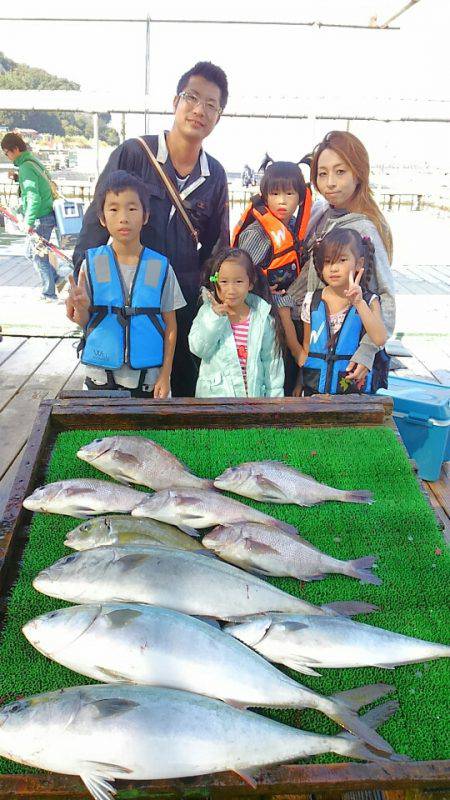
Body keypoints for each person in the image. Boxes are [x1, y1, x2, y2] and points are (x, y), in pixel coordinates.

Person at [72, 61, 230, 397]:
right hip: (123, 288)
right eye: (192, 98)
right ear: (175, 102)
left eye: (211, 105)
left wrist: (213, 295)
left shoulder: (214, 175)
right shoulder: (134, 153)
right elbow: (96, 220)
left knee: (179, 385)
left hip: (182, 300)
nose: (199, 110)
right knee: (115, 380)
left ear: (219, 116)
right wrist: (84, 285)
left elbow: (217, 246)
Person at [280, 130, 395, 391]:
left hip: (344, 348)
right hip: (311, 334)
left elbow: (384, 297)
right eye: (322, 173)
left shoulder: (365, 228)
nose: (330, 182)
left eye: (340, 172)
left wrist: (367, 351)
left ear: (358, 173)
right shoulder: (321, 215)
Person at [66, 170, 185, 398]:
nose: (123, 217)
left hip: (148, 382)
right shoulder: (94, 265)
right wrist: (80, 308)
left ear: (145, 215)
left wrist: (165, 374)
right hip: (100, 379)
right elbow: (83, 322)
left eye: (132, 208)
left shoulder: (157, 267)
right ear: (102, 218)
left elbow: (171, 326)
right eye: (113, 209)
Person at [233, 158, 311, 394]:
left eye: (289, 193)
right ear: (265, 196)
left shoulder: (295, 227)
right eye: (275, 193)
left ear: (300, 197)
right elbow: (239, 273)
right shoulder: (257, 233)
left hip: (292, 309)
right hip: (264, 314)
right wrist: (264, 289)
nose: (282, 201)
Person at [298, 228, 389, 395]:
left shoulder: (369, 301)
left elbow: (380, 338)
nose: (333, 268)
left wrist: (359, 303)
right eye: (327, 262)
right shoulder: (312, 300)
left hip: (353, 395)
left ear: (359, 264)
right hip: (314, 393)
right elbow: (306, 345)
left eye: (341, 260)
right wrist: (299, 382)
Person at [188, 247, 284, 398]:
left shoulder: (262, 318)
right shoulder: (207, 313)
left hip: (252, 404)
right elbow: (199, 349)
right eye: (224, 282)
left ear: (250, 283)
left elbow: (272, 363)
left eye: (238, 281)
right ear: (215, 282)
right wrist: (215, 318)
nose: (231, 289)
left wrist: (274, 404)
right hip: (215, 407)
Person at [1, 131, 64, 302]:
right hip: (47, 214)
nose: (7, 157)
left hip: (40, 218)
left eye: (7, 153)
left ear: (14, 149)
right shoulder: (32, 161)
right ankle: (57, 279)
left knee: (37, 254)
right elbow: (41, 183)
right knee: (33, 252)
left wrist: (28, 222)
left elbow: (33, 196)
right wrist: (17, 179)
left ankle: (49, 293)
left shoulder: (25, 167)